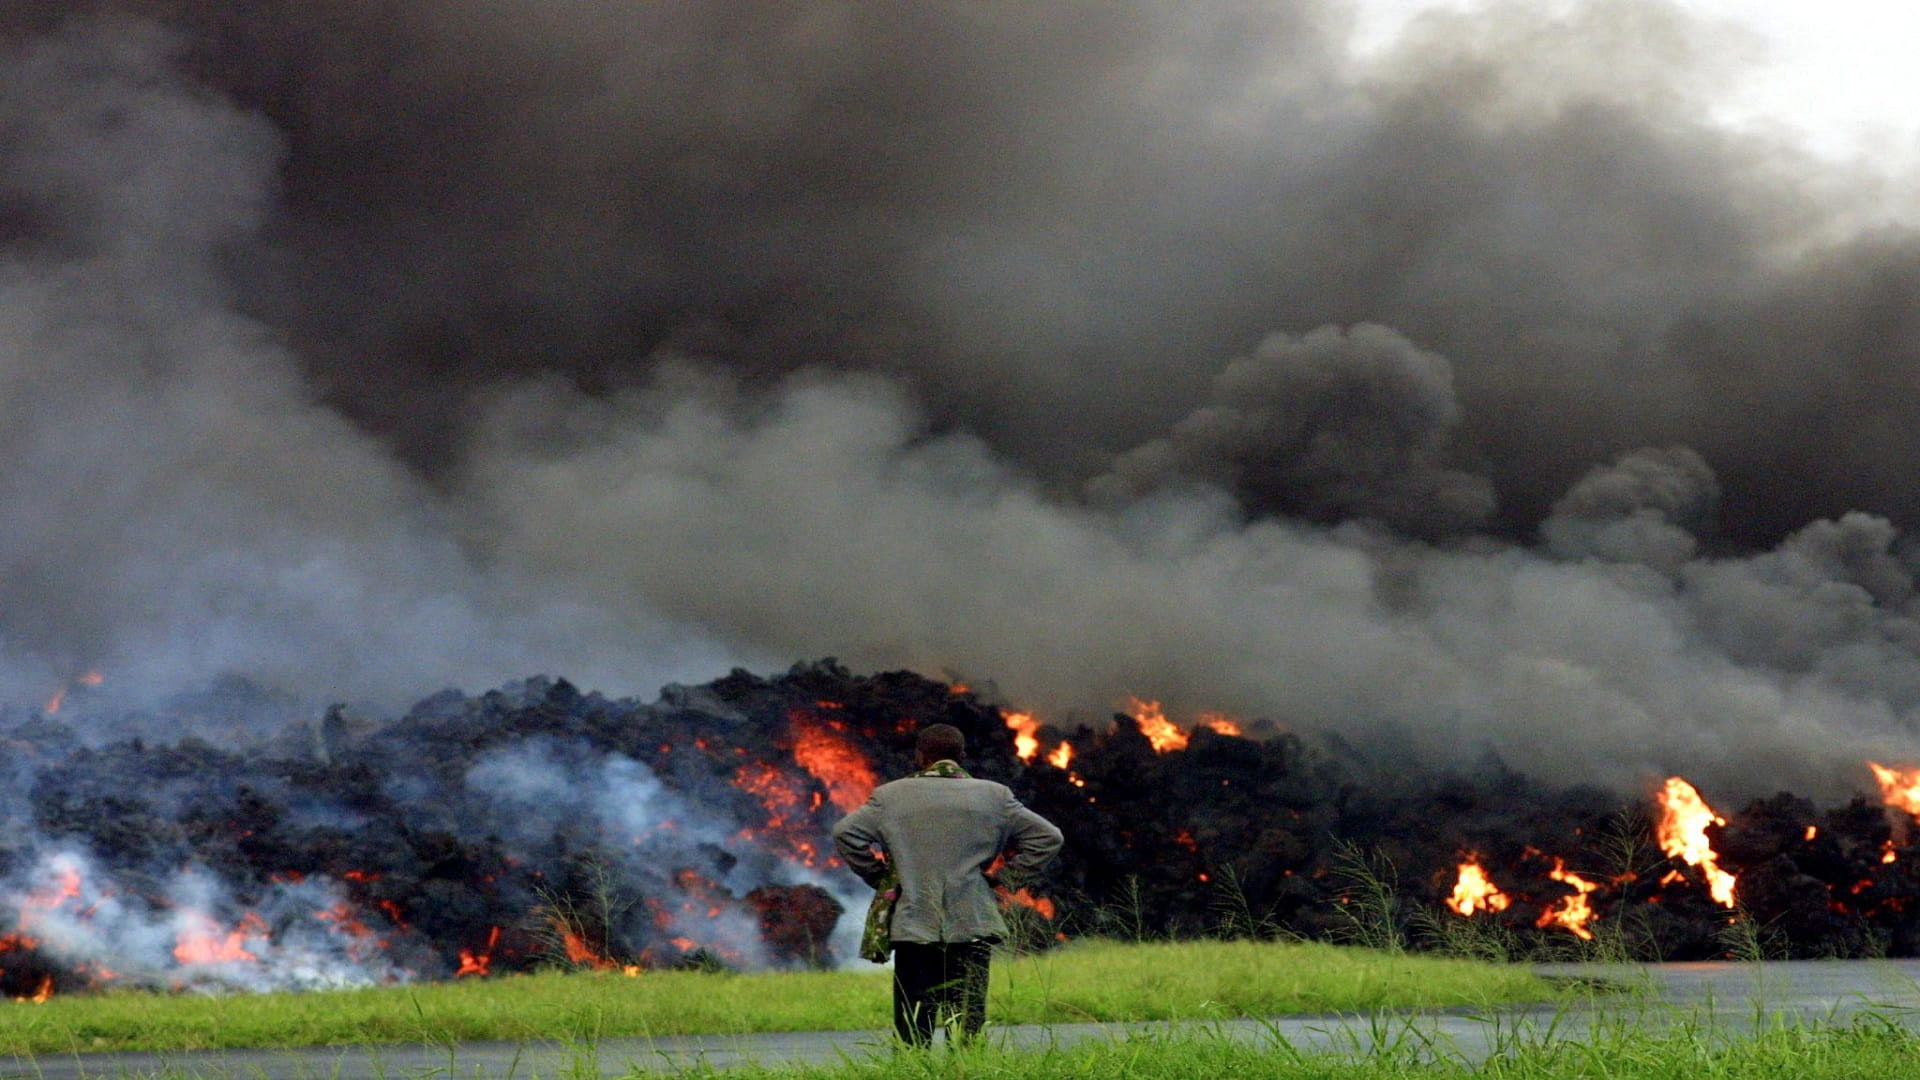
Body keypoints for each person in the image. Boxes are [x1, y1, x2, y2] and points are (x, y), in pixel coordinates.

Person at [831, 722, 1064, 1046]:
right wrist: (1005, 878)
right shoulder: (995, 796)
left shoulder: (890, 796)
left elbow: (845, 834)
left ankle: (915, 1067)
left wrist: (879, 877)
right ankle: (964, 1066)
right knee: (967, 1023)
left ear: (920, 756)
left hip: (914, 923)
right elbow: (1049, 837)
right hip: (972, 921)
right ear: (962, 756)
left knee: (913, 1025)